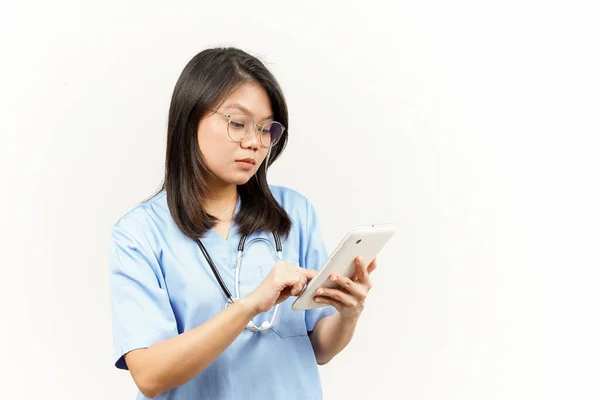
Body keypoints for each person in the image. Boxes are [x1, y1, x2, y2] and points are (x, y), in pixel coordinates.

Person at [109, 47, 377, 400]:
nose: (254, 142)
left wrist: (348, 314)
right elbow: (150, 375)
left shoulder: (295, 212)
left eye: (267, 129)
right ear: (191, 118)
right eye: (238, 123)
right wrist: (250, 304)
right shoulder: (140, 233)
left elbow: (320, 347)